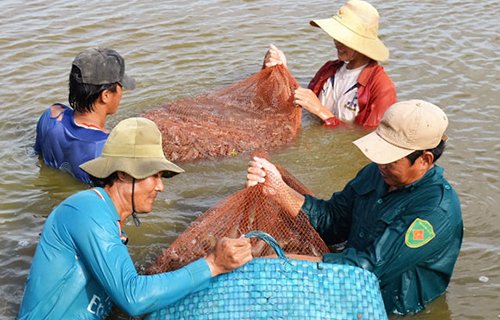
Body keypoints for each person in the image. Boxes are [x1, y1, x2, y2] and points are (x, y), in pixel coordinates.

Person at [19, 117, 253, 319]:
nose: (161, 187)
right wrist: (212, 264)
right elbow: (134, 297)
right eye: (155, 175)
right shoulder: (87, 209)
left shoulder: (109, 220)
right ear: (123, 173)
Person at [246, 100, 463, 315]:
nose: (381, 164)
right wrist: (279, 191)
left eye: (390, 159)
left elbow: (367, 270)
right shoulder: (376, 174)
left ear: (424, 160)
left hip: (393, 309)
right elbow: (331, 222)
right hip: (347, 280)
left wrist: (282, 262)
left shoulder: (435, 210)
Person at [263, 0, 396, 127]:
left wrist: (321, 111)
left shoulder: (381, 87)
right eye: (336, 36)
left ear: (362, 43)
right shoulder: (329, 69)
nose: (336, 42)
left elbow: (371, 138)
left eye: (343, 39)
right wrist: (280, 71)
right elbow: (301, 104)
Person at [34, 47, 136, 184]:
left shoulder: (49, 116)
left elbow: (39, 157)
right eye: (120, 86)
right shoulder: (107, 148)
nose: (122, 92)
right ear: (105, 95)